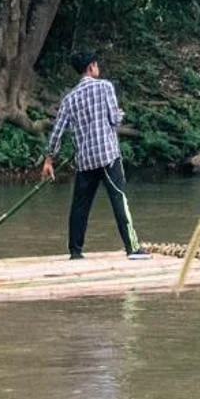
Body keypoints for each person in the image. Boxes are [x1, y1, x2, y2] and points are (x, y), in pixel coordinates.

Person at [41, 49, 146, 261]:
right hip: (108, 156)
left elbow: (57, 131)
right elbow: (114, 120)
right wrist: (119, 115)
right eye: (97, 65)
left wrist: (49, 159)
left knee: (80, 206)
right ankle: (132, 249)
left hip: (85, 160)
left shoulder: (69, 99)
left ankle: (75, 251)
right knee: (118, 199)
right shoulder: (105, 87)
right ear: (91, 67)